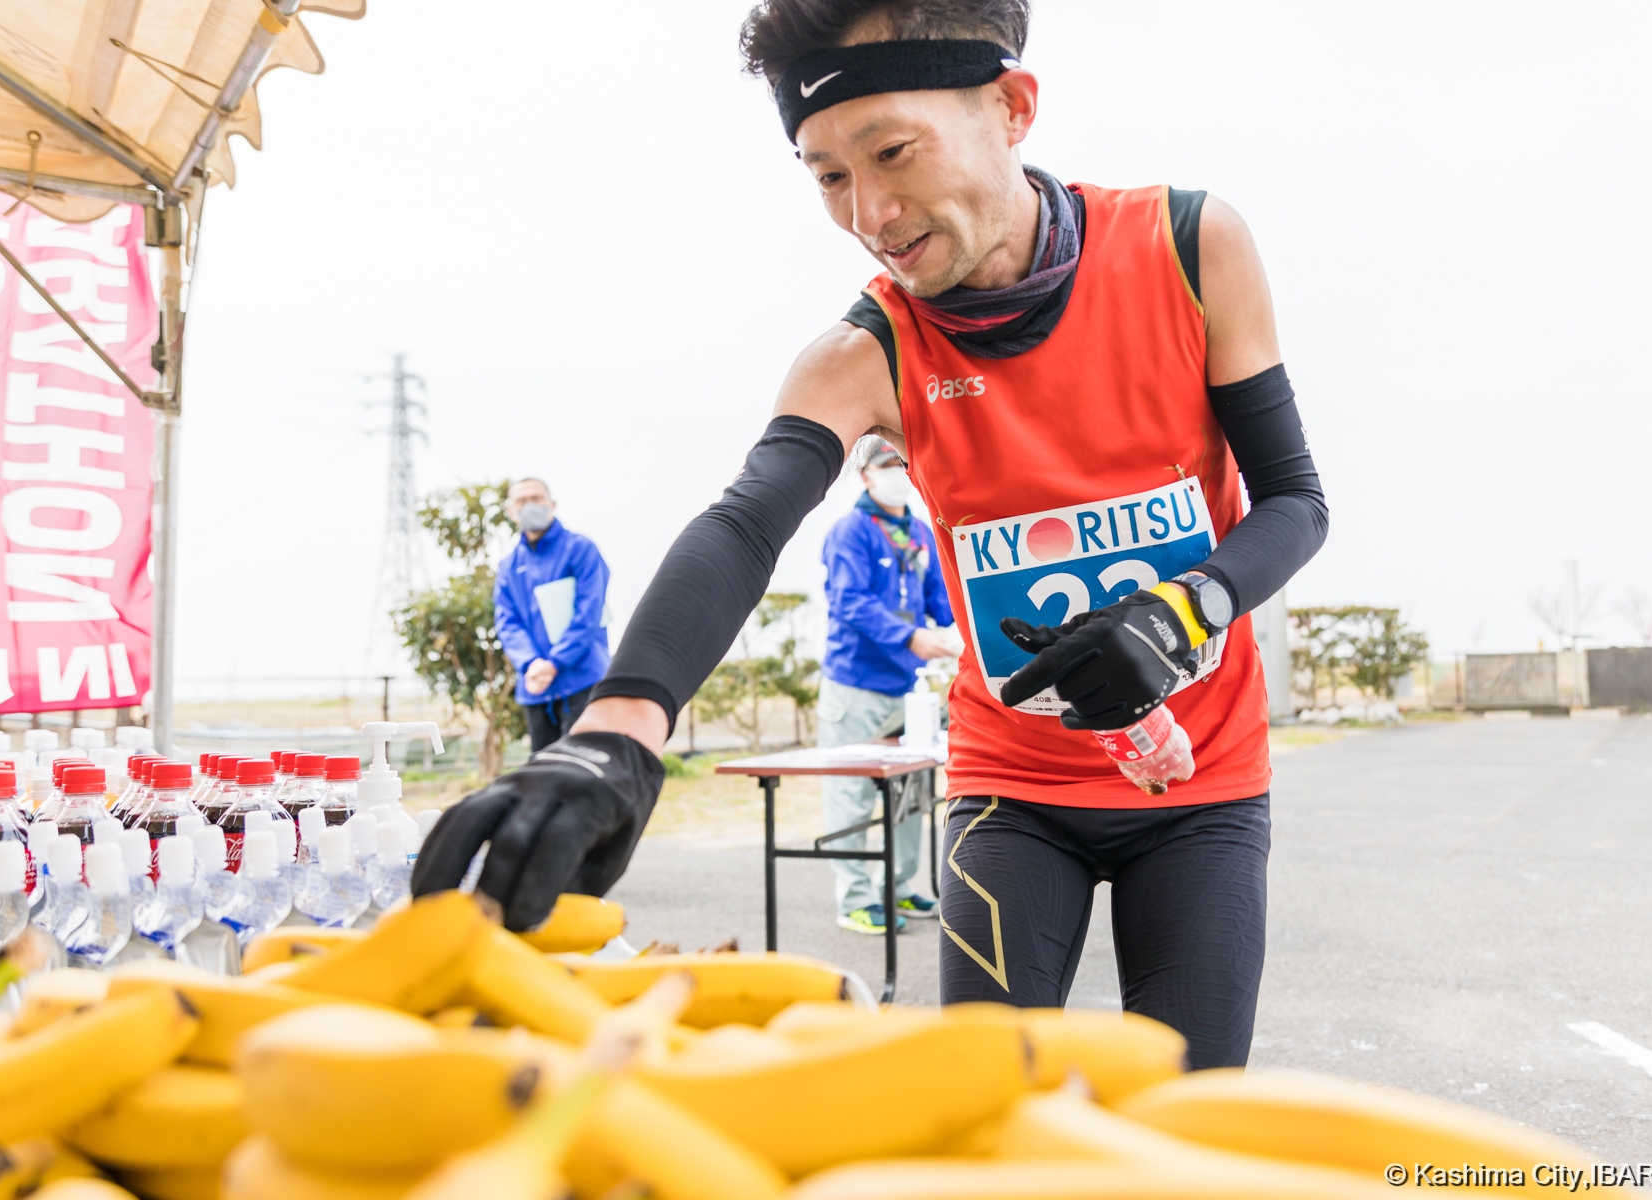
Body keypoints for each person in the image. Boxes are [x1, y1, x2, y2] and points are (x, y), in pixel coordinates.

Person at [416, 0, 1327, 1071]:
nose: (871, 212)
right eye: (828, 177)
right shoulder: (863, 354)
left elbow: (1295, 502)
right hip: (1012, 790)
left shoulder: (1188, 246)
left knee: (1192, 1116)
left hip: (1204, 787)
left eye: (892, 151)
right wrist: (616, 733)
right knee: (981, 1117)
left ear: (1013, 106)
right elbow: (746, 523)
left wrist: (1186, 609)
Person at [818, 439, 955, 934]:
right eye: (886, 465)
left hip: (909, 686)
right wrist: (909, 635)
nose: (897, 471)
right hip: (856, 682)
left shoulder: (918, 531)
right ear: (866, 477)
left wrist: (958, 633)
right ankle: (855, 898)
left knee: (909, 791)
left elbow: (941, 596)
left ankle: (897, 888)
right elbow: (849, 601)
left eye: (903, 463)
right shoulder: (850, 532)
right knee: (850, 792)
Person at [492, 477, 610, 753]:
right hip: (536, 687)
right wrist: (531, 663)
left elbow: (588, 612)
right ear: (511, 511)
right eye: (521, 501)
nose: (530, 505)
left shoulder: (581, 550)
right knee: (542, 772)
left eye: (537, 498)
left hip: (583, 679)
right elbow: (507, 622)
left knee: (583, 770)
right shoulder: (509, 567)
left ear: (552, 504)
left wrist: (556, 662)